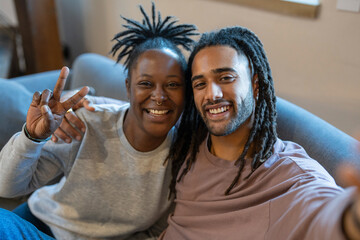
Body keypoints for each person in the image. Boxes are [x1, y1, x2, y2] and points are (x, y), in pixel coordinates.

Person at [0, 3, 197, 239]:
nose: (159, 96)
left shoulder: (186, 155)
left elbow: (157, 231)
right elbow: (8, 188)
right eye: (145, 83)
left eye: (173, 85)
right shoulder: (86, 123)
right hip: (42, 224)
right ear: (128, 88)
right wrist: (32, 138)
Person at [159, 26, 360, 239]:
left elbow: (325, 214)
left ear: (255, 85)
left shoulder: (290, 175)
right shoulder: (187, 147)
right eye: (200, 84)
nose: (212, 94)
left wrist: (353, 219)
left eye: (226, 78)